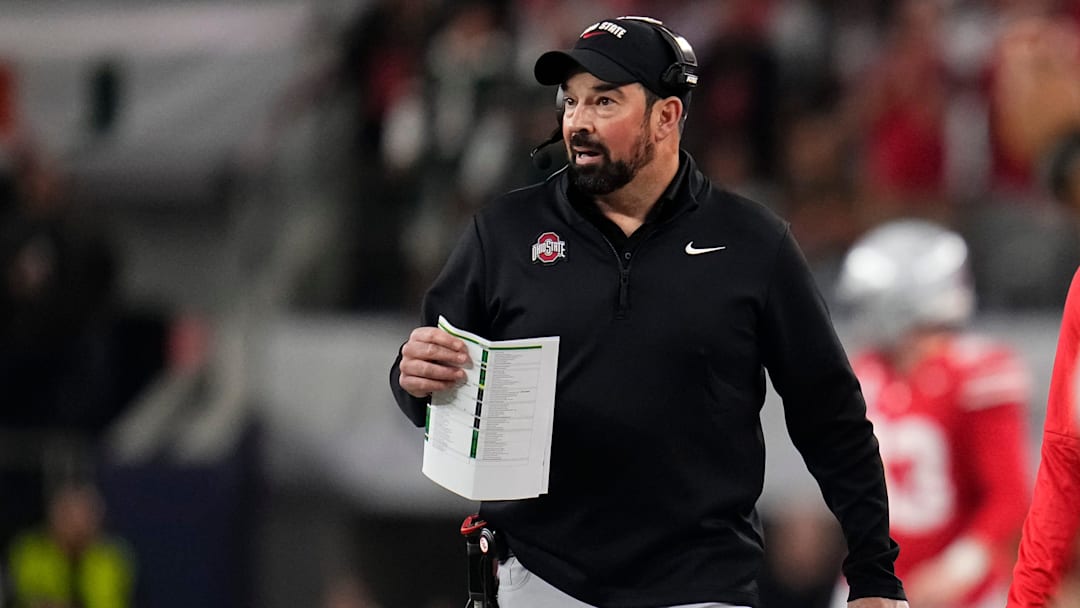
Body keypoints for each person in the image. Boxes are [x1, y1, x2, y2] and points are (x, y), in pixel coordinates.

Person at [390, 15, 907, 608]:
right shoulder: (502, 234)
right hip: (539, 578)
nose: (578, 122)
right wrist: (416, 381)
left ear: (667, 116)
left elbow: (832, 417)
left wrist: (874, 576)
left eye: (604, 101)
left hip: (701, 585)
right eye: (571, 102)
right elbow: (425, 388)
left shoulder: (752, 243)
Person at [836, 219, 1032, 608]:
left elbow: (1009, 494)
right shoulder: (866, 370)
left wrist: (957, 570)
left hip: (959, 592)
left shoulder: (976, 373)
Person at [5, 482, 136, 608]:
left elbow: (109, 602)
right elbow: (29, 599)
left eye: (84, 516)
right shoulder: (29, 551)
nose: (77, 526)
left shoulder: (112, 557)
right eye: (68, 515)